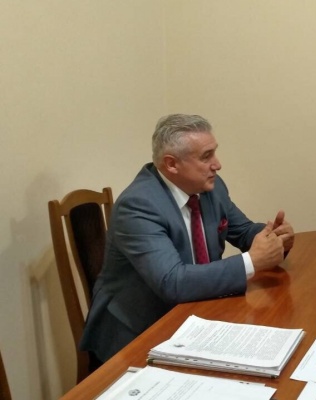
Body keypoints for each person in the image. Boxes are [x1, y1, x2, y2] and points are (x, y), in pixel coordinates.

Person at [80, 114, 294, 366]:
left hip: (197, 314)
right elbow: (172, 282)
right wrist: (252, 261)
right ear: (171, 164)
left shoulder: (211, 187)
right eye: (206, 157)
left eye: (214, 153)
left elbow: (244, 231)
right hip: (138, 330)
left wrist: (274, 237)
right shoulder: (138, 205)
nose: (217, 165)